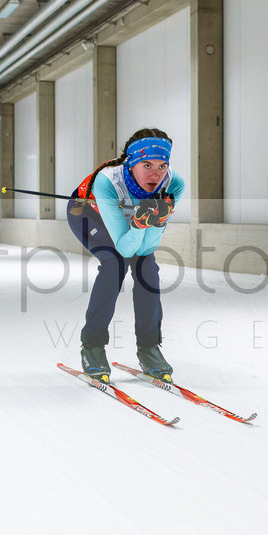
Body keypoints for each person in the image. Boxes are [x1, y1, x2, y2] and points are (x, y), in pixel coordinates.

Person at [66, 128, 184, 383]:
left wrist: (158, 222)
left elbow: (145, 250)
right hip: (87, 211)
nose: (156, 174)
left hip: (127, 218)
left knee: (147, 269)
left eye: (163, 165)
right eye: (147, 165)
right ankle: (92, 346)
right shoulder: (107, 181)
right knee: (114, 264)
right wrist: (140, 224)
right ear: (131, 163)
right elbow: (124, 248)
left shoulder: (174, 184)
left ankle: (149, 347)